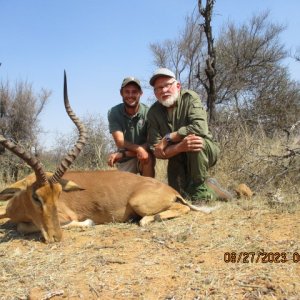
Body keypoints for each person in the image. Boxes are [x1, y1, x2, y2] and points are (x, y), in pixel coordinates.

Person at [147, 68, 232, 201]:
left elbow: (200, 128)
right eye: (159, 88)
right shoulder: (153, 112)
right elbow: (156, 150)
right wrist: (180, 147)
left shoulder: (190, 97)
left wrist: (168, 138)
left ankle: (202, 192)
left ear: (178, 86)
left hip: (203, 150)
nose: (163, 90)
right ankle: (211, 188)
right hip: (177, 156)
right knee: (179, 196)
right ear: (155, 93)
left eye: (167, 85)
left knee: (194, 141)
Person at [107, 77, 155, 177]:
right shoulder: (114, 112)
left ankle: (148, 191)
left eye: (134, 92)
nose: (130, 95)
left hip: (142, 155)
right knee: (121, 190)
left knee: (147, 158)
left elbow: (151, 143)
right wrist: (138, 150)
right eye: (127, 92)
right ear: (121, 93)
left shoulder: (149, 113)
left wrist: (126, 153)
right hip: (125, 160)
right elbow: (120, 142)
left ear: (140, 93)